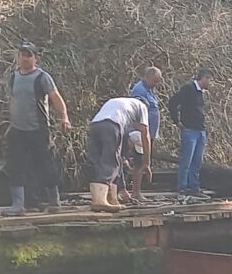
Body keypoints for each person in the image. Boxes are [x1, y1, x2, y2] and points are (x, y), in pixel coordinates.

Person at [2, 41, 72, 216]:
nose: (24, 58)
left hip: (38, 129)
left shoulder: (42, 77)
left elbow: (56, 98)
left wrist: (64, 117)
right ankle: (18, 205)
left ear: (36, 58)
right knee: (15, 165)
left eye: (28, 55)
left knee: (44, 164)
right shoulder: (14, 77)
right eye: (22, 55)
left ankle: (54, 201)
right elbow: (13, 101)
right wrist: (11, 123)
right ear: (17, 57)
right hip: (18, 130)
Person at [87, 97, 151, 212]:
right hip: (111, 126)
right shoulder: (142, 107)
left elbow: (119, 159)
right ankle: (99, 201)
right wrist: (147, 163)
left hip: (94, 126)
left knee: (100, 162)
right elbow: (145, 136)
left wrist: (122, 188)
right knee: (110, 163)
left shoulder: (121, 106)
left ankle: (110, 198)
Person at [168, 68, 212, 198]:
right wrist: (176, 121)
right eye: (209, 80)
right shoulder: (188, 88)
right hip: (189, 129)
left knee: (196, 161)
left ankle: (194, 187)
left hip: (200, 130)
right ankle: (183, 187)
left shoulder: (200, 92)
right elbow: (173, 103)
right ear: (204, 78)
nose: (210, 83)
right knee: (186, 160)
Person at [128, 67, 162, 202]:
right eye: (155, 81)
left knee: (142, 162)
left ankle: (137, 191)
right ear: (147, 77)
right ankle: (135, 192)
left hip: (148, 133)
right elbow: (136, 113)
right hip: (140, 133)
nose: (156, 84)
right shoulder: (139, 91)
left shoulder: (149, 89)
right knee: (140, 162)